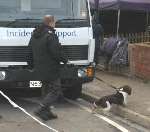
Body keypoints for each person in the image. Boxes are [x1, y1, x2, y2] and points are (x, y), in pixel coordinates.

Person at [29, 15, 68, 121]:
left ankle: (47, 113)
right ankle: (41, 108)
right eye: (54, 22)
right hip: (51, 68)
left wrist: (31, 65)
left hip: (40, 67)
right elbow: (56, 51)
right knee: (55, 89)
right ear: (51, 22)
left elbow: (30, 50)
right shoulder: (50, 35)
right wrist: (65, 60)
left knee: (46, 90)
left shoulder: (35, 34)